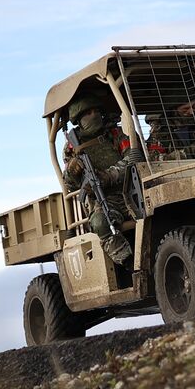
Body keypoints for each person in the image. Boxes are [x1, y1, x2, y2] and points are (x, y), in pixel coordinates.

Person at [62, 92, 139, 266]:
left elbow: (132, 159)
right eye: (88, 113)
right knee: (100, 222)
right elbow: (69, 183)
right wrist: (73, 170)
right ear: (79, 119)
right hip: (105, 200)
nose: (94, 115)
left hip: (132, 191)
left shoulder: (115, 133)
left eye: (96, 111)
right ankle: (128, 262)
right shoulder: (71, 147)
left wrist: (109, 175)